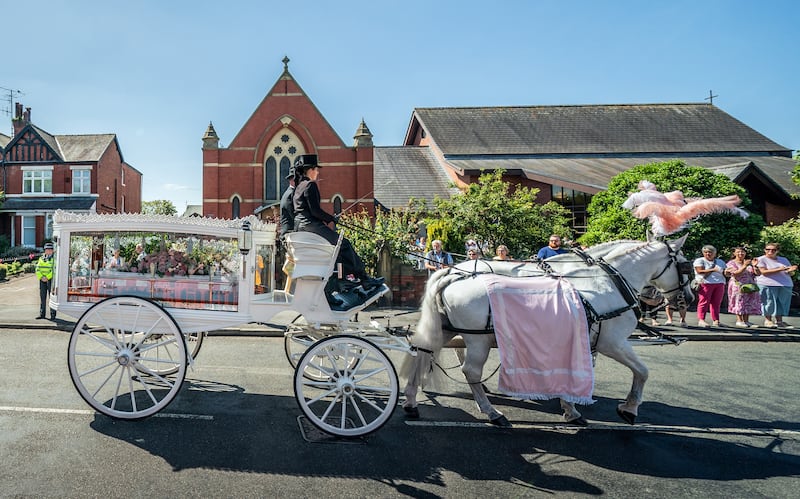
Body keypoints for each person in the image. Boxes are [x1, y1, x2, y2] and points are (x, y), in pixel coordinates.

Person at [292, 154, 383, 290]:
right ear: (310, 170)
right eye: (316, 169)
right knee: (344, 244)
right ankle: (364, 278)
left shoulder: (299, 187)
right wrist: (331, 218)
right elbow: (315, 211)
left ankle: (344, 278)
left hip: (301, 226)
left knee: (336, 250)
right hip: (310, 225)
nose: (317, 172)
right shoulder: (310, 185)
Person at [755, 243, 797, 328]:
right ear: (764, 250)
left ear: (777, 251)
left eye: (773, 250)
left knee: (781, 303)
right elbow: (764, 272)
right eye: (768, 249)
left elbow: (790, 273)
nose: (770, 251)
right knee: (768, 302)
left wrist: (791, 271)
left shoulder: (783, 259)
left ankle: (779, 321)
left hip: (785, 284)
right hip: (768, 284)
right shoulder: (761, 259)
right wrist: (779, 269)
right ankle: (768, 320)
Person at [725, 246, 762, 327]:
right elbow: (735, 273)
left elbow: (758, 273)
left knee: (748, 302)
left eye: (742, 252)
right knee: (739, 302)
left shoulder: (748, 262)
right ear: (734, 253)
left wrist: (755, 266)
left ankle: (746, 320)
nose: (740, 253)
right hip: (738, 285)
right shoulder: (731, 263)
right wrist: (744, 266)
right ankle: (739, 320)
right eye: (738, 252)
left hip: (750, 285)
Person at [693, 244, 727, 327]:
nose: (708, 254)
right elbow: (699, 271)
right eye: (706, 252)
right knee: (704, 302)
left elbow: (725, 272)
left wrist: (728, 272)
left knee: (716, 303)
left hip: (719, 283)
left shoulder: (720, 262)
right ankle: (701, 319)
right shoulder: (700, 260)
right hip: (706, 283)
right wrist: (713, 269)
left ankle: (716, 320)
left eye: (710, 252)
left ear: (715, 253)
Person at [35, 242, 56, 320]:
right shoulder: (41, 258)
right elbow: (37, 268)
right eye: (47, 249)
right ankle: (42, 314)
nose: (48, 251)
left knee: (52, 298)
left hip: (50, 280)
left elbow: (54, 270)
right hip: (42, 280)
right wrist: (41, 277)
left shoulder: (54, 259)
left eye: (50, 249)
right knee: (42, 297)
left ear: (53, 250)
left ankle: (53, 315)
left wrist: (47, 277)